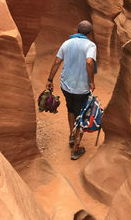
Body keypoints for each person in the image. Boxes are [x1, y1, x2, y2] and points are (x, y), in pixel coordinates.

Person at [46, 20, 97, 160]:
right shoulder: (90, 45)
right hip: (82, 88)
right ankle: (76, 149)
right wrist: (91, 81)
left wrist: (50, 80)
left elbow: (57, 61)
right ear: (89, 33)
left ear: (77, 30)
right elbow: (89, 62)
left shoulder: (67, 43)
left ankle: (71, 135)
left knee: (71, 109)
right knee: (82, 114)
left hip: (66, 85)